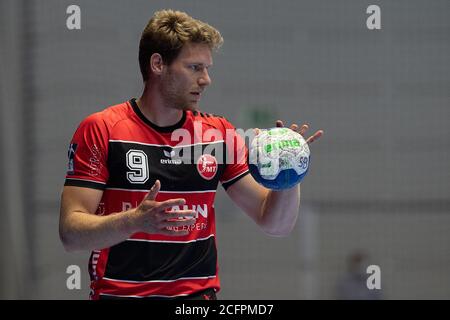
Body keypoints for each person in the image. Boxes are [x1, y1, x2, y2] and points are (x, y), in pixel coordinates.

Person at [59, 9, 323, 300]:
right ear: (157, 64)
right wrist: (134, 221)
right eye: (195, 67)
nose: (206, 79)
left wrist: (288, 172)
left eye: (208, 68)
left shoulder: (218, 133)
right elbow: (71, 233)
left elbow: (275, 223)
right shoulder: (102, 128)